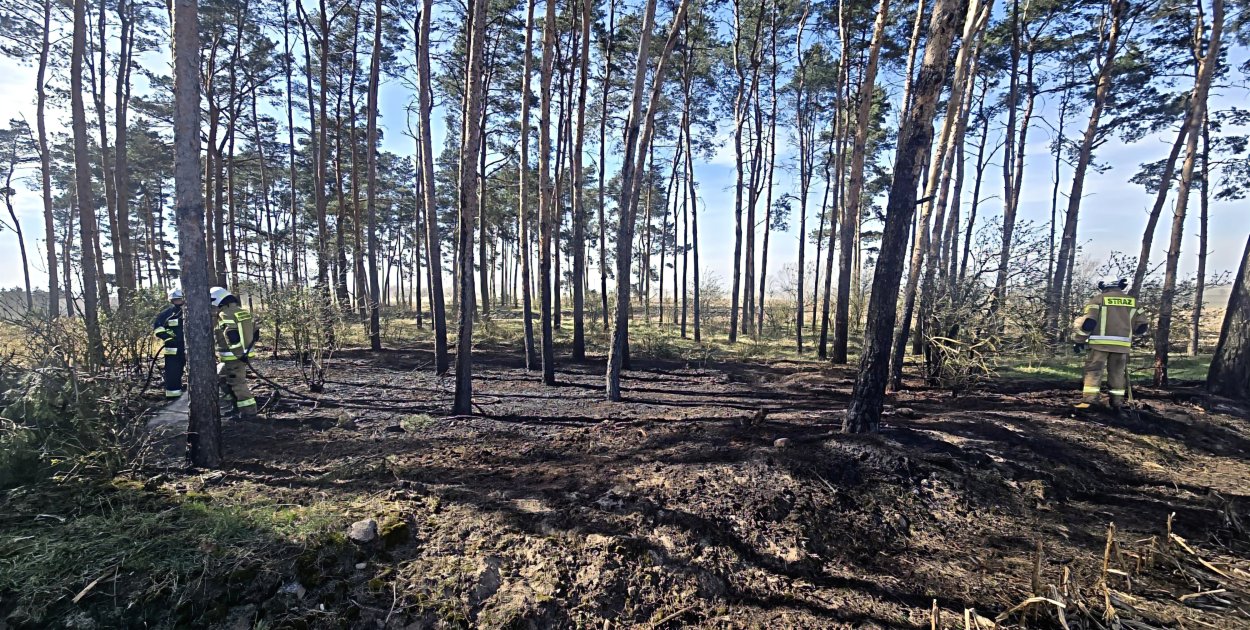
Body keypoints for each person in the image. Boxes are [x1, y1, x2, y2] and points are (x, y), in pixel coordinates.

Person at [1072, 278, 1149, 411]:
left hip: (1099, 345)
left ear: (1103, 286)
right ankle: (1117, 403)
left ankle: (1089, 402)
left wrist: (1079, 340)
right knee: (1117, 374)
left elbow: (1089, 323)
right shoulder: (1133, 302)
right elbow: (1142, 326)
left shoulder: (1098, 300)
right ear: (1120, 286)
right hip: (1122, 346)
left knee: (1094, 371)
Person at [210, 286, 259, 419]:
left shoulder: (225, 314)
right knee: (222, 379)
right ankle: (235, 407)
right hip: (241, 355)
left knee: (237, 383)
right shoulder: (241, 312)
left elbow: (231, 335)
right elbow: (254, 333)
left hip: (234, 357)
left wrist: (239, 354)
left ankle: (249, 412)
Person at [152, 288, 186, 399]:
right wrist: (167, 338)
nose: (178, 301)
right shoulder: (166, 314)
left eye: (179, 299)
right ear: (171, 300)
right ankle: (173, 395)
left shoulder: (191, 311)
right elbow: (158, 328)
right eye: (175, 299)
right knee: (173, 373)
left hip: (189, 348)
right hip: (172, 348)